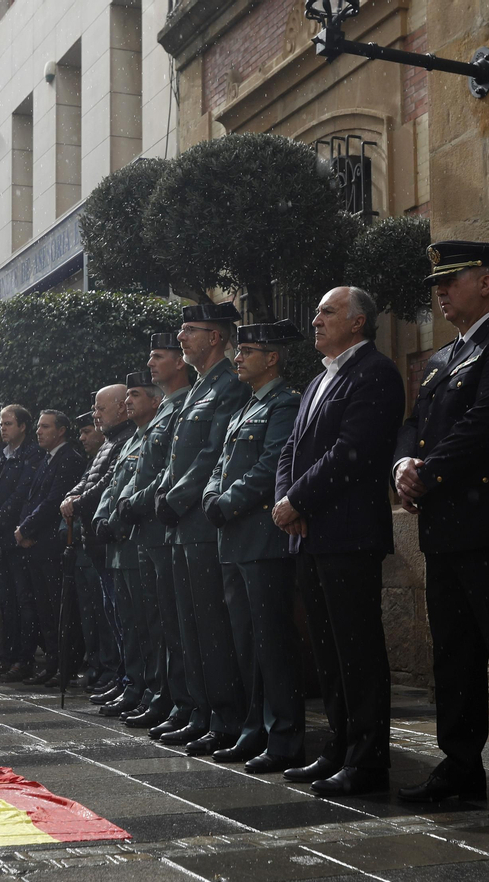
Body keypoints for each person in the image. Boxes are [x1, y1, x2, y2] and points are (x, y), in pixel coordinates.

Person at [393, 240, 489, 811]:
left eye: (449, 281)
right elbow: (413, 425)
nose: (440, 293)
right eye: (437, 284)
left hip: (488, 530)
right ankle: (459, 767)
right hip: (443, 531)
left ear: (485, 282)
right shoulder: (440, 359)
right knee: (453, 658)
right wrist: (402, 465)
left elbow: (488, 422)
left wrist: (427, 475)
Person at [274, 286, 404, 796]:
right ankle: (338, 747)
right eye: (316, 312)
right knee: (327, 651)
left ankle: (367, 761)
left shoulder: (375, 372)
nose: (316, 320)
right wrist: (286, 499)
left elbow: (352, 451)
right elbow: (291, 448)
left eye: (327, 312)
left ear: (358, 322)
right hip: (310, 535)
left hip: (349, 535)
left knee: (357, 651)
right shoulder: (318, 380)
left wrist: (298, 500)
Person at [203, 320, 306, 771]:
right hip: (233, 541)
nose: (239, 358)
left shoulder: (285, 403)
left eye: (247, 351)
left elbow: (271, 465)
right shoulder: (245, 407)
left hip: (263, 540)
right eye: (239, 350)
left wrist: (226, 503)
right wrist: (211, 495)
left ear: (272, 358)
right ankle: (254, 730)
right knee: (244, 643)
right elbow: (220, 464)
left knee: (272, 643)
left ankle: (284, 737)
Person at [156, 302, 251, 755]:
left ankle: (225, 717)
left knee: (211, 627)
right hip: (180, 525)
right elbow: (176, 456)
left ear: (215, 337)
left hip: (200, 522)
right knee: (187, 626)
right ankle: (200, 712)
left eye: (190, 330)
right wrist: (164, 494)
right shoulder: (198, 388)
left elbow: (213, 454)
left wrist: (175, 498)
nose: (181, 337)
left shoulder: (229, 385)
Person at [115, 334, 194, 733]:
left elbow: (169, 471)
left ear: (179, 362)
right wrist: (125, 503)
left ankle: (179, 702)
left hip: (164, 526)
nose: (150, 363)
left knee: (172, 626)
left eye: (158, 356)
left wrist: (138, 501)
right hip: (146, 531)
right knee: (152, 623)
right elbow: (141, 472)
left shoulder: (182, 406)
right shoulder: (164, 413)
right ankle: (162, 696)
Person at [61, 386, 133, 699]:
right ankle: (121, 678)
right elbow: (88, 478)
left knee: (123, 618)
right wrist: (71, 496)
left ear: (121, 407)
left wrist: (78, 503)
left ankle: (129, 681)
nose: (96, 415)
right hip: (96, 544)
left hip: (110, 541)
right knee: (111, 616)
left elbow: (108, 484)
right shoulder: (110, 442)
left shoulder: (126, 439)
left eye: (100, 408)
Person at [94, 373, 158, 709]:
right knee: (127, 624)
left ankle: (151, 690)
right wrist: (100, 518)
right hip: (118, 544)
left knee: (146, 626)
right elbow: (112, 488)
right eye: (127, 395)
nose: (128, 402)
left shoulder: (152, 434)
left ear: (155, 400)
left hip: (134, 540)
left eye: (135, 395)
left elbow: (139, 488)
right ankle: (133, 684)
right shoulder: (131, 440)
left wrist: (115, 520)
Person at [15, 411, 88, 685]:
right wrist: (23, 530)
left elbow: (53, 501)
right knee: (45, 610)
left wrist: (26, 529)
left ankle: (66, 665)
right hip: (36, 546)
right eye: (39, 426)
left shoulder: (69, 459)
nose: (39, 431)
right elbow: (31, 500)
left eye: (45, 427)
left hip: (52, 547)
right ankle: (53, 662)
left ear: (61, 430)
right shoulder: (46, 459)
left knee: (61, 610)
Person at [0, 405, 42, 680]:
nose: (3, 428)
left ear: (23, 426)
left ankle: (23, 658)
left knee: (23, 602)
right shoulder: (0, 456)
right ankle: (7, 656)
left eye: (8, 424)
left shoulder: (32, 455)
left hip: (14, 538)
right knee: (5, 603)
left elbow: (20, 495)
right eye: (1, 424)